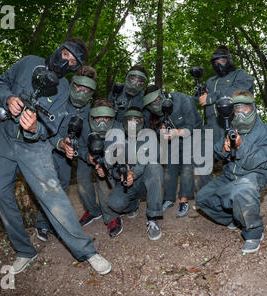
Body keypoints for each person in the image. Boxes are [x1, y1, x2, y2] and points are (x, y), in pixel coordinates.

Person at [0, 39, 111, 275]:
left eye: (73, 61)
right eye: (65, 54)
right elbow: (1, 83)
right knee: (1, 194)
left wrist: (34, 128)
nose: (66, 61)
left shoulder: (64, 89)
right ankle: (25, 251)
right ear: (58, 48)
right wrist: (7, 98)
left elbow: (51, 128)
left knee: (54, 196)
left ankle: (87, 252)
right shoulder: (29, 63)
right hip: (5, 137)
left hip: (33, 146)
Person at [196, 90, 267, 253]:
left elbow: (264, 161)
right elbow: (215, 154)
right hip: (229, 176)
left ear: (253, 108)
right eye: (236, 109)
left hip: (253, 177)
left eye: (244, 108)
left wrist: (241, 145)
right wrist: (223, 148)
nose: (239, 113)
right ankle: (234, 218)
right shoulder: (229, 127)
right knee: (202, 199)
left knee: (242, 189)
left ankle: (254, 233)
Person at [34, 65, 97, 241]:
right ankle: (41, 224)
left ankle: (50, 223)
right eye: (78, 88)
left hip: (65, 155)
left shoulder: (86, 111)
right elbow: (42, 129)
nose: (81, 93)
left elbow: (83, 143)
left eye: (87, 90)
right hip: (45, 147)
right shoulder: (58, 97)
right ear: (72, 84)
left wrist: (88, 157)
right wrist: (59, 143)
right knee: (49, 185)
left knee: (61, 185)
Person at [98, 107, 164, 240]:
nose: (133, 124)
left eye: (137, 120)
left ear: (142, 122)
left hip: (145, 181)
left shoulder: (150, 136)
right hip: (127, 182)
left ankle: (152, 218)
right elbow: (111, 165)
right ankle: (133, 205)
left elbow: (152, 160)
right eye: (129, 121)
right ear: (124, 122)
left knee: (155, 167)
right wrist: (120, 173)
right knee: (115, 204)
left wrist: (133, 172)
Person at [196, 45, 254, 189]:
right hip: (211, 127)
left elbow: (240, 91)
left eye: (222, 60)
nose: (219, 64)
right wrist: (199, 94)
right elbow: (202, 100)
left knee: (233, 161)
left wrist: (213, 96)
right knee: (201, 159)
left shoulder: (240, 74)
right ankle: (207, 196)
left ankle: (237, 194)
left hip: (233, 124)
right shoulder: (210, 81)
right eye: (215, 62)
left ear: (228, 59)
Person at [143, 85, 203, 217]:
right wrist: (162, 132)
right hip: (173, 139)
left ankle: (184, 199)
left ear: (162, 94)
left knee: (187, 165)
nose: (154, 104)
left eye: (156, 100)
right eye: (150, 104)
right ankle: (169, 198)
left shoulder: (182, 99)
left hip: (194, 134)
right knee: (170, 165)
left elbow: (191, 126)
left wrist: (175, 132)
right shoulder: (151, 111)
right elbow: (154, 130)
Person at [75, 98, 125, 238]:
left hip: (108, 157)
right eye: (98, 118)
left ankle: (111, 216)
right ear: (91, 117)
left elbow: (118, 150)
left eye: (106, 118)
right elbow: (80, 146)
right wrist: (87, 157)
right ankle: (92, 210)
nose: (102, 122)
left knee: (104, 181)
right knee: (81, 179)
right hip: (89, 156)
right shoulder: (84, 126)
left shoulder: (117, 127)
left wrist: (106, 165)